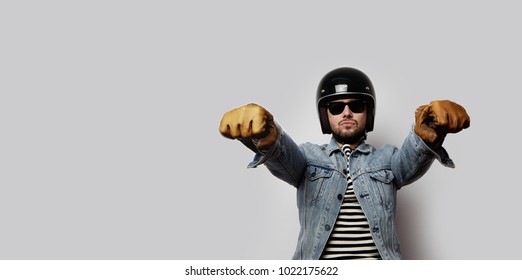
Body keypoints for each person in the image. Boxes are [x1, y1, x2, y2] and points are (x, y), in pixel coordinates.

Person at [218, 67, 470, 260]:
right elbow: (281, 153)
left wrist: (430, 134)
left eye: (356, 105)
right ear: (325, 116)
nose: (346, 113)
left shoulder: (387, 158)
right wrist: (266, 134)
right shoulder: (307, 157)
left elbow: (409, 162)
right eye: (337, 107)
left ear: (368, 113)